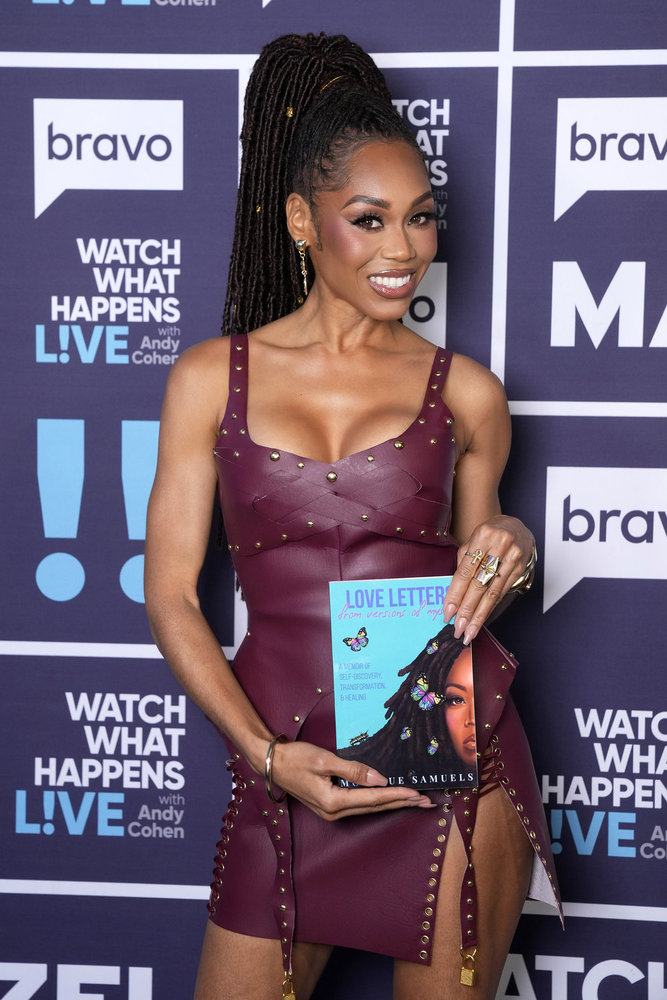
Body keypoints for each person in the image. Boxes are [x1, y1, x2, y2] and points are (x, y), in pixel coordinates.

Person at [145, 32, 561, 1000]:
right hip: (284, 758)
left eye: (419, 220)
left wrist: (515, 544)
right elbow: (170, 596)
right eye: (367, 220)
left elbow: (489, 542)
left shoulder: (465, 391)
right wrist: (267, 757)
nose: (402, 250)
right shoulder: (213, 377)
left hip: (450, 762)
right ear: (301, 219)